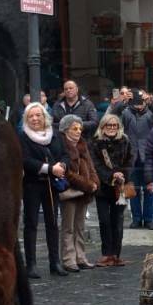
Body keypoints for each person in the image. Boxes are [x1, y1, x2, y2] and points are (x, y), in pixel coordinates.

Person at [20, 101, 66, 279]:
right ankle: (31, 264)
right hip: (32, 184)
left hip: (52, 184)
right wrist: (48, 168)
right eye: (31, 116)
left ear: (44, 116)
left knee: (53, 223)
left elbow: (65, 154)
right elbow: (25, 160)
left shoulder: (55, 134)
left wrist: (63, 165)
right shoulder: (23, 137)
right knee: (31, 224)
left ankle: (55, 262)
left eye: (38, 115)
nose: (35, 118)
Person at [90, 110, 132, 266]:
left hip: (119, 188)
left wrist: (123, 174)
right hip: (103, 187)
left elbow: (130, 161)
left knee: (118, 221)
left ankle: (116, 254)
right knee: (104, 220)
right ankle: (106, 253)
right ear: (103, 126)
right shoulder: (95, 142)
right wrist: (111, 175)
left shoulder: (125, 141)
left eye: (115, 125)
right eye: (109, 125)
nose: (112, 127)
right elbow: (96, 165)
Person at [58, 114, 99, 271]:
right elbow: (67, 172)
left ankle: (81, 257)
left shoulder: (83, 145)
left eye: (80, 128)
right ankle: (69, 259)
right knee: (68, 227)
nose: (78, 131)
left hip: (84, 192)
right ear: (65, 129)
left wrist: (95, 182)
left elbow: (91, 166)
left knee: (80, 226)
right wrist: (88, 184)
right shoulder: (61, 146)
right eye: (74, 128)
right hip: (70, 191)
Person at [121, 89, 153, 227]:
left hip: (148, 155)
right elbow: (112, 116)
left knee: (149, 188)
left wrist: (151, 102)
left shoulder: (151, 113)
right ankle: (136, 218)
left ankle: (149, 219)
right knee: (133, 188)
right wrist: (124, 102)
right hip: (131, 155)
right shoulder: (127, 113)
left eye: (141, 100)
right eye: (136, 100)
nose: (138, 103)